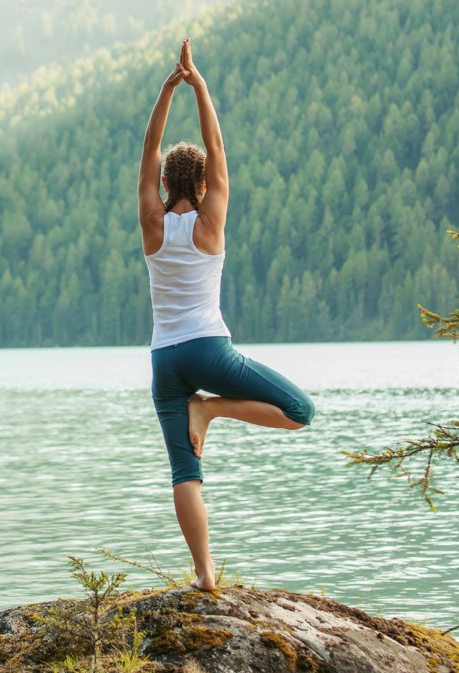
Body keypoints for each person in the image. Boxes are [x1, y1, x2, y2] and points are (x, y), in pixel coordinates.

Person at [137, 39, 315, 591]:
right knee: (299, 410)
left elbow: (149, 150)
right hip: (210, 351)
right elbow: (216, 145)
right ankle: (210, 411)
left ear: (165, 185)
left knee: (183, 473)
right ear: (207, 183)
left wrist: (167, 89)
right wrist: (201, 86)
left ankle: (205, 574)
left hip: (165, 360)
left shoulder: (153, 223)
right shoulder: (212, 218)